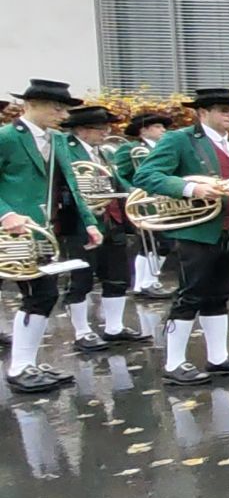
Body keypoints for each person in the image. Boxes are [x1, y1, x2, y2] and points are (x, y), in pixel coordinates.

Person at [131, 86, 229, 385]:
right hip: (198, 231)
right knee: (189, 296)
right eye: (224, 110)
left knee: (219, 296)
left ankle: (218, 357)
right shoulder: (180, 140)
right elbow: (145, 175)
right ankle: (174, 363)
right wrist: (191, 188)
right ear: (203, 112)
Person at [0, 79, 104, 394]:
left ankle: (27, 364)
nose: (63, 114)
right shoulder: (6, 137)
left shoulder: (57, 140)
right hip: (14, 233)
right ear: (30, 105)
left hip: (46, 231)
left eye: (64, 108)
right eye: (56, 108)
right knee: (39, 295)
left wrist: (89, 222)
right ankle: (20, 367)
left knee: (44, 295)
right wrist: (5, 214)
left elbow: (71, 183)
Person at [57, 104, 141, 349]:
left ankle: (114, 327)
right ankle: (82, 331)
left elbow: (115, 180)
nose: (106, 133)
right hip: (80, 223)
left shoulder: (102, 153)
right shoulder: (66, 151)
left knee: (118, 276)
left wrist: (135, 193)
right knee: (80, 278)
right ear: (81, 130)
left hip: (111, 220)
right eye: (100, 128)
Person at [120, 110, 174, 297]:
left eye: (163, 127)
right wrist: (131, 191)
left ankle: (145, 283)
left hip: (164, 202)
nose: (163, 130)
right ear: (143, 131)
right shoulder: (130, 149)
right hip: (144, 203)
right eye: (158, 127)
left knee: (161, 243)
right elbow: (118, 173)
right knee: (152, 242)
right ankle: (146, 283)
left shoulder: (163, 148)